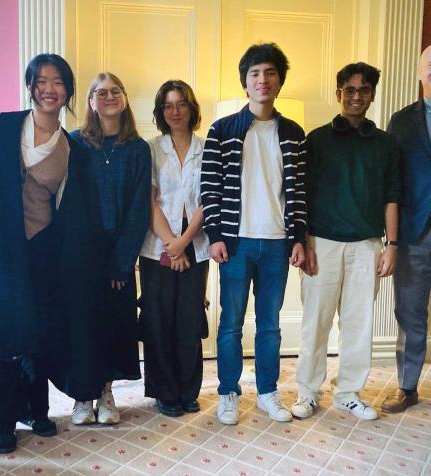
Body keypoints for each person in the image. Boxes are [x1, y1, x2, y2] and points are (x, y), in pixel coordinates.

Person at [0, 54, 90, 453]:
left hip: (43, 248)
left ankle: (37, 410)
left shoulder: (71, 147)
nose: (49, 88)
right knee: (5, 335)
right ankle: (4, 420)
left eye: (58, 82)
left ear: (68, 91)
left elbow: (69, 210)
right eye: (41, 81)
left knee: (39, 331)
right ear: (30, 86)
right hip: (2, 247)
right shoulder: (6, 126)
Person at [201, 43, 307, 425]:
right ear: (246, 82)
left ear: (279, 80)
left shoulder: (294, 132)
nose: (263, 80)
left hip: (278, 244)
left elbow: (299, 191)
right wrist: (214, 234)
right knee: (230, 323)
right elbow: (209, 187)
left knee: (270, 324)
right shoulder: (223, 129)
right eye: (255, 74)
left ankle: (267, 391)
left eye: (270, 73)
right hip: (236, 242)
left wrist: (298, 237)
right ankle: (228, 392)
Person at [292, 63, 400, 421]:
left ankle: (349, 392)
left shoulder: (385, 144)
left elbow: (391, 196)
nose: (356, 96)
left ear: (372, 94)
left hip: (367, 244)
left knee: (358, 323)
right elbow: (302, 194)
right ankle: (307, 391)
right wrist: (304, 241)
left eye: (364, 90)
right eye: (349, 90)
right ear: (339, 94)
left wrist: (392, 245)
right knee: (316, 321)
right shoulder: (317, 139)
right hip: (321, 242)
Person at [68, 72, 151, 425]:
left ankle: (105, 392)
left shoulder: (138, 148)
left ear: (125, 98)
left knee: (114, 323)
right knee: (83, 322)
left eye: (115, 91)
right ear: (90, 101)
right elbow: (68, 201)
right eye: (100, 92)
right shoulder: (75, 143)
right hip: (83, 249)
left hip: (119, 247)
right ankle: (82, 398)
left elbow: (139, 207)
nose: (108, 97)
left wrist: (122, 261)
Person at [139, 80, 209, 417]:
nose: (175, 111)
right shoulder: (150, 148)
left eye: (181, 104)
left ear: (191, 108)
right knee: (158, 319)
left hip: (195, 245)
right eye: (168, 105)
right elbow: (150, 200)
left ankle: (187, 389)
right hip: (157, 246)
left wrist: (183, 244)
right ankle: (164, 391)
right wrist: (171, 244)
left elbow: (208, 199)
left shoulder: (207, 147)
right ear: (160, 112)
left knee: (189, 319)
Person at [382, 45, 431, 414]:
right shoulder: (400, 121)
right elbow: (391, 183)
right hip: (415, 232)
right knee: (410, 312)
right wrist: (391, 239)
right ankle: (407, 386)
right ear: (419, 72)